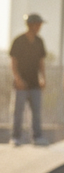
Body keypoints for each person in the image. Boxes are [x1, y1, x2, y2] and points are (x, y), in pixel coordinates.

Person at [9, 13, 49, 146]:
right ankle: (16, 137)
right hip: (20, 83)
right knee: (18, 112)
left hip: (34, 82)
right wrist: (18, 79)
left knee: (36, 112)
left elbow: (41, 62)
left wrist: (43, 78)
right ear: (31, 25)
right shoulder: (19, 41)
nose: (39, 27)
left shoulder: (39, 41)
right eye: (38, 24)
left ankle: (37, 137)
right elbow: (13, 62)